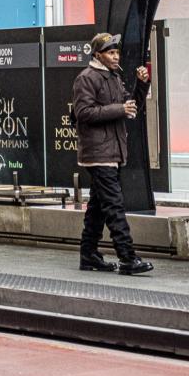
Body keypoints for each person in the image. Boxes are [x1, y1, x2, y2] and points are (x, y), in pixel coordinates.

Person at [73, 32, 154, 276]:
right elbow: (83, 113)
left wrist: (141, 85)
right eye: (110, 52)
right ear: (98, 55)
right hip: (99, 152)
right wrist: (119, 108)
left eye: (116, 52)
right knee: (115, 206)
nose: (115, 55)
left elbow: (132, 108)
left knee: (98, 207)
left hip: (112, 151)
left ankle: (89, 255)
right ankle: (127, 257)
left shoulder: (113, 77)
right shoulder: (86, 78)